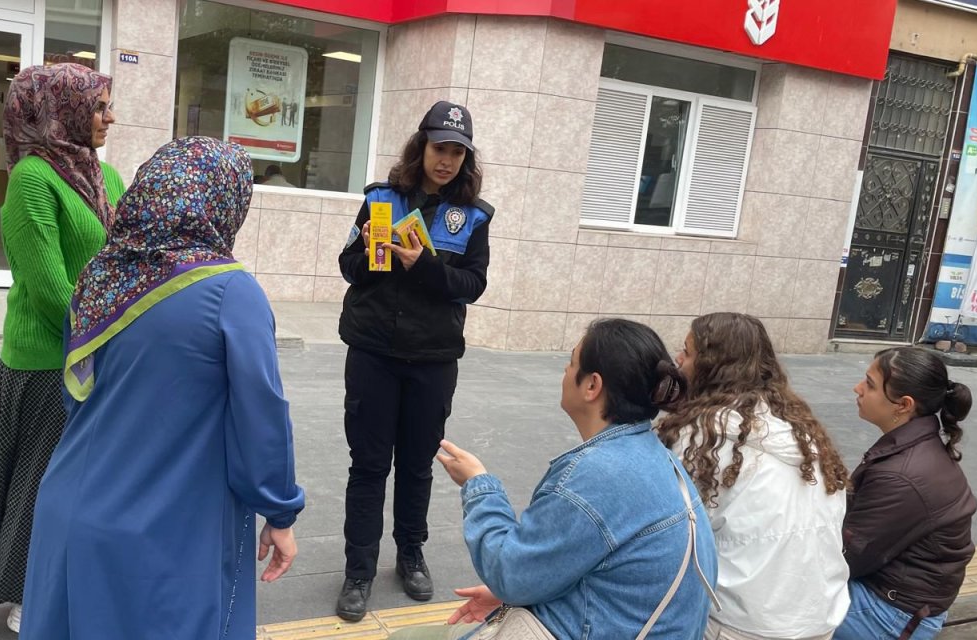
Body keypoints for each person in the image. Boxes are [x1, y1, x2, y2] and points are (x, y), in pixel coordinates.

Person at [20, 136, 304, 639]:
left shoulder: (97, 278)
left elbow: (77, 393)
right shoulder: (230, 292)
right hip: (166, 532)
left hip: (67, 511)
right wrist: (279, 510)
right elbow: (261, 416)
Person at [0, 62, 126, 633]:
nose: (108, 117)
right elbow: (48, 291)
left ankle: (66, 577)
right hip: (46, 362)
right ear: (58, 112)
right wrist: (112, 334)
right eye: (98, 107)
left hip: (101, 350)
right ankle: (27, 593)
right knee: (39, 484)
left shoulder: (106, 176)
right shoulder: (31, 180)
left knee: (82, 483)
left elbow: (124, 261)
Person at [392, 318, 718, 640]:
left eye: (571, 362)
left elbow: (510, 571)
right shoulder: (657, 456)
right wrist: (515, 593)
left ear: (592, 386)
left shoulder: (598, 475)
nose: (564, 371)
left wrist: (478, 484)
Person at [335, 100, 492, 620]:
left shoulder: (472, 215)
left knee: (417, 466)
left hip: (432, 358)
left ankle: (410, 555)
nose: (444, 160)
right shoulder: (381, 198)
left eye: (455, 153)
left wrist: (423, 265)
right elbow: (349, 266)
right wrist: (373, 257)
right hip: (374, 353)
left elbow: (472, 285)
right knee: (369, 465)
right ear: (421, 146)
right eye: (437, 148)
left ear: (465, 160)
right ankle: (358, 570)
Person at [656, 312, 851, 640]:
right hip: (817, 616)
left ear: (711, 366)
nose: (678, 359)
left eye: (687, 352)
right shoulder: (801, 428)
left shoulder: (701, 438)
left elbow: (667, 536)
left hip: (742, 623)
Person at [835, 347, 977, 640]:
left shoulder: (900, 474)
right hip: (907, 599)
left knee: (768, 599)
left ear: (903, 405)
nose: (857, 388)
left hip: (893, 615)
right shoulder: (918, 443)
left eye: (870, 385)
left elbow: (846, 559)